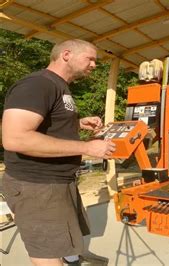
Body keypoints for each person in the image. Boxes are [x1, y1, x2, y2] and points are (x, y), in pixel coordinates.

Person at [1, 39, 116, 266]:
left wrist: (77, 123)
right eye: (90, 59)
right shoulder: (37, 84)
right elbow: (15, 138)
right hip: (37, 186)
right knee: (47, 251)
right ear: (66, 55)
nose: (94, 65)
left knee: (62, 238)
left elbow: (48, 125)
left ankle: (73, 258)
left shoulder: (60, 86)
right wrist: (86, 147)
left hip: (57, 181)